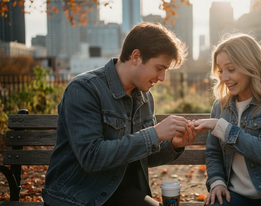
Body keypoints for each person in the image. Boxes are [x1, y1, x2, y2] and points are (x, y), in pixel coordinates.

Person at [42, 22, 198, 206]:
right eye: (159, 68)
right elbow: (91, 157)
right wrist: (154, 134)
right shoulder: (84, 89)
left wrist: (173, 145)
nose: (162, 78)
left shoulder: (145, 97)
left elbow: (145, 156)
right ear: (136, 56)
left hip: (125, 194)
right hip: (79, 197)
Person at [191, 33, 261, 206]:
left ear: (250, 66)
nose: (223, 78)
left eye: (231, 69)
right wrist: (217, 183)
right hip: (236, 195)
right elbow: (213, 152)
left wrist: (222, 127)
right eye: (221, 71)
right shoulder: (220, 105)